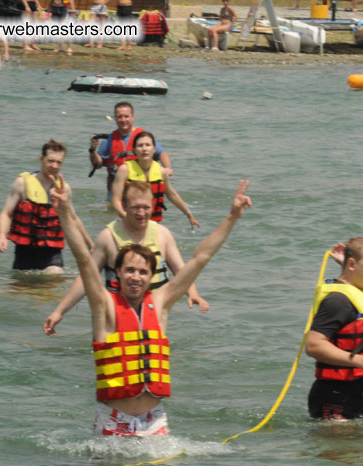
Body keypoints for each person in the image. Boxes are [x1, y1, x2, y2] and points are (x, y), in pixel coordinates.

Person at [51, 177, 252, 436]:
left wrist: (232, 217)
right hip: (113, 421)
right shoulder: (103, 305)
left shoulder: (160, 304)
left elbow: (200, 258)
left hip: (154, 421)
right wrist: (65, 212)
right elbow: (83, 261)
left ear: (151, 276)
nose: (136, 277)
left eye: (143, 272)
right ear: (118, 273)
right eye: (130, 270)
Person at [43, 180, 209, 335]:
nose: (141, 213)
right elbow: (87, 278)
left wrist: (193, 293)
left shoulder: (162, 234)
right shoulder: (108, 237)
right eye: (136, 207)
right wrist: (60, 311)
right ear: (124, 206)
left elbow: (182, 271)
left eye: (146, 207)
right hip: (117, 316)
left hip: (153, 314)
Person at [305, 237, 363, 420]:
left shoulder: (354, 293)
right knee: (340, 449)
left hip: (356, 392)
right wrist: (360, 361)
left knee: (362, 447)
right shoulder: (337, 301)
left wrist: (351, 266)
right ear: (351, 264)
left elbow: (351, 275)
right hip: (333, 396)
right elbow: (314, 346)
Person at [0, 140, 92, 274]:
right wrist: (1, 236)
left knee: (55, 275)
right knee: (21, 290)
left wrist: (90, 245)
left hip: (52, 253)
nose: (54, 166)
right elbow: (6, 213)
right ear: (41, 159)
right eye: (50, 161)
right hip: (24, 252)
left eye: (59, 162)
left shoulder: (64, 189)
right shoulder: (22, 184)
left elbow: (73, 219)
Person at [111, 131, 199, 229]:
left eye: (148, 145)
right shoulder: (124, 170)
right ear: (134, 150)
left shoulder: (161, 172)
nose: (144, 149)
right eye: (140, 145)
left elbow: (172, 195)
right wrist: (127, 217)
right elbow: (116, 200)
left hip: (153, 225)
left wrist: (188, 214)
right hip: (129, 224)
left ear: (154, 149)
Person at [90, 102, 172, 194]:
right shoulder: (109, 139)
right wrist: (93, 150)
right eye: (119, 117)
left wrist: (167, 168)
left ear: (132, 117)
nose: (123, 120)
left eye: (126, 116)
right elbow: (97, 165)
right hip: (117, 188)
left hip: (139, 187)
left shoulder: (142, 137)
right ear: (115, 118)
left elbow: (161, 153)